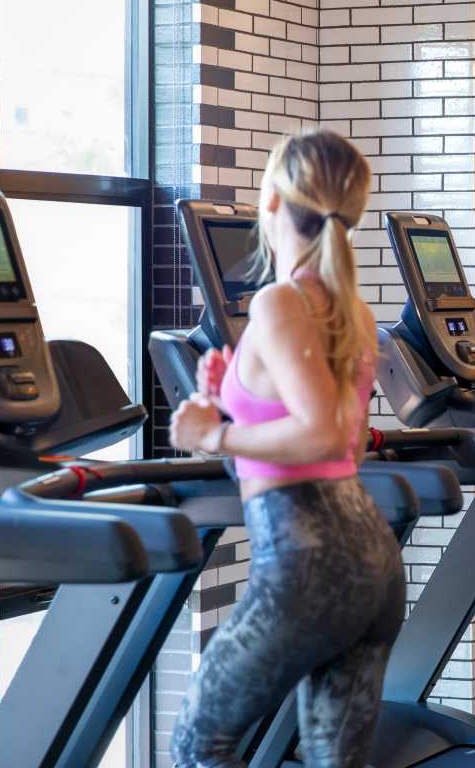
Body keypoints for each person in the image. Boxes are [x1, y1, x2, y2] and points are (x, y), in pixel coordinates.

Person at [168, 129, 403, 768]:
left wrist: (210, 435)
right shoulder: (346, 307)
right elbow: (346, 443)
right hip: (372, 565)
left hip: (307, 568)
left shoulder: (278, 302)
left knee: (198, 747)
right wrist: (232, 398)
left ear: (271, 198)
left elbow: (322, 434)